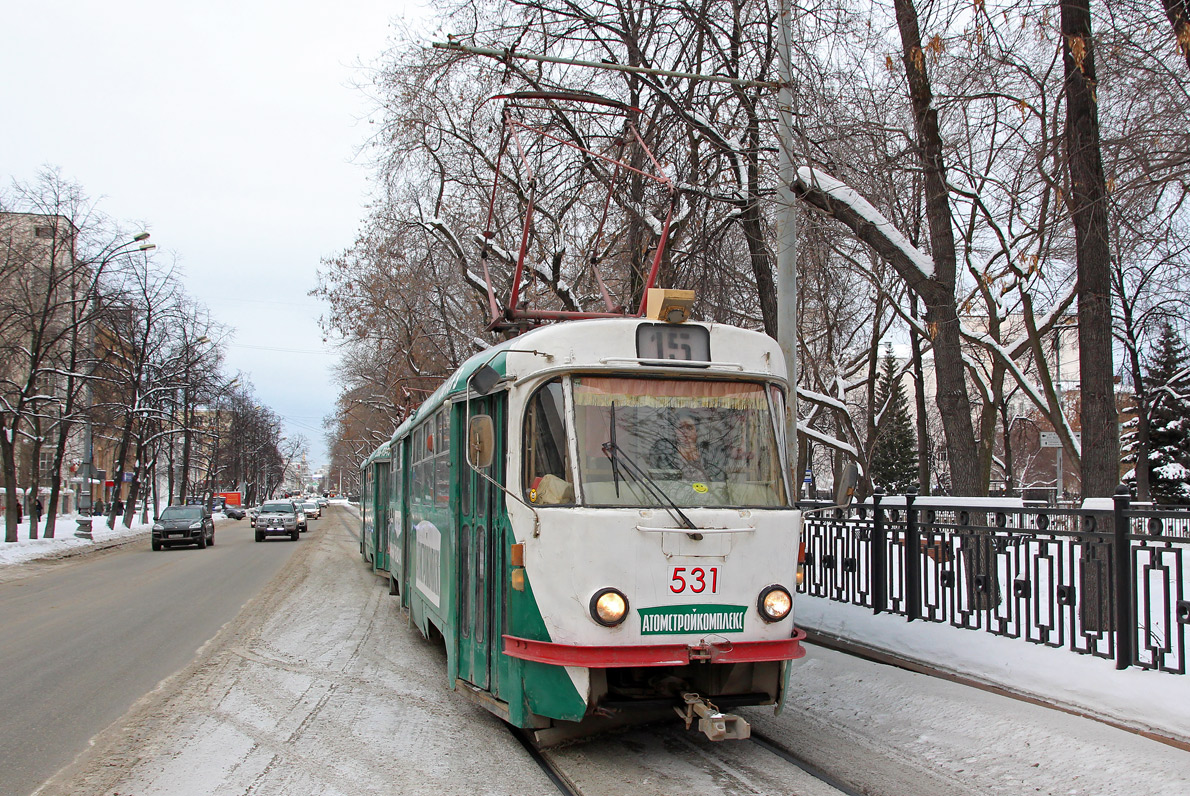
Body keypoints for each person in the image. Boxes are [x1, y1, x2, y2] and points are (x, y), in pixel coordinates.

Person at [650, 411, 724, 482]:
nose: (684, 432)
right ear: (675, 431)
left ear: (696, 431)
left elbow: (718, 481)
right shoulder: (665, 453)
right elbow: (661, 481)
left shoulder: (710, 452)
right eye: (681, 428)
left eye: (689, 427)